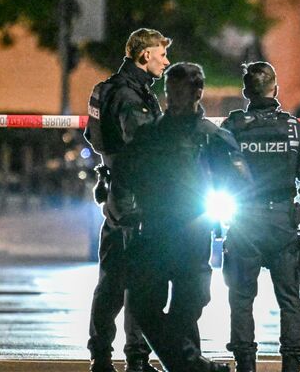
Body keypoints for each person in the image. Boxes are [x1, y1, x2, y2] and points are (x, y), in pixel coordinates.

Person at [120, 62, 248, 372]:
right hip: (154, 229)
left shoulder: (210, 136)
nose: (172, 98)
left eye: (180, 91)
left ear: (197, 92)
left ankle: (190, 367)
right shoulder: (151, 134)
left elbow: (240, 181)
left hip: (193, 231)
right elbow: (127, 173)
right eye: (170, 90)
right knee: (142, 305)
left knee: (188, 307)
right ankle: (198, 368)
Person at [220, 62, 300, 372]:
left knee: (241, 297)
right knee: (289, 297)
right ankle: (291, 364)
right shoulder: (294, 128)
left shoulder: (233, 127)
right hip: (281, 221)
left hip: (243, 220)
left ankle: (245, 364)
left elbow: (213, 168)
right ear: (275, 90)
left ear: (246, 92)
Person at [83, 28, 171, 372]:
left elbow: (94, 137)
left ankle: (106, 356)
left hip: (118, 190)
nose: (166, 61)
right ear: (144, 55)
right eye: (161, 54)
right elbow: (144, 143)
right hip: (135, 195)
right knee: (133, 279)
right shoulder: (129, 96)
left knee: (114, 278)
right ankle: (131, 358)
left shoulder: (115, 89)